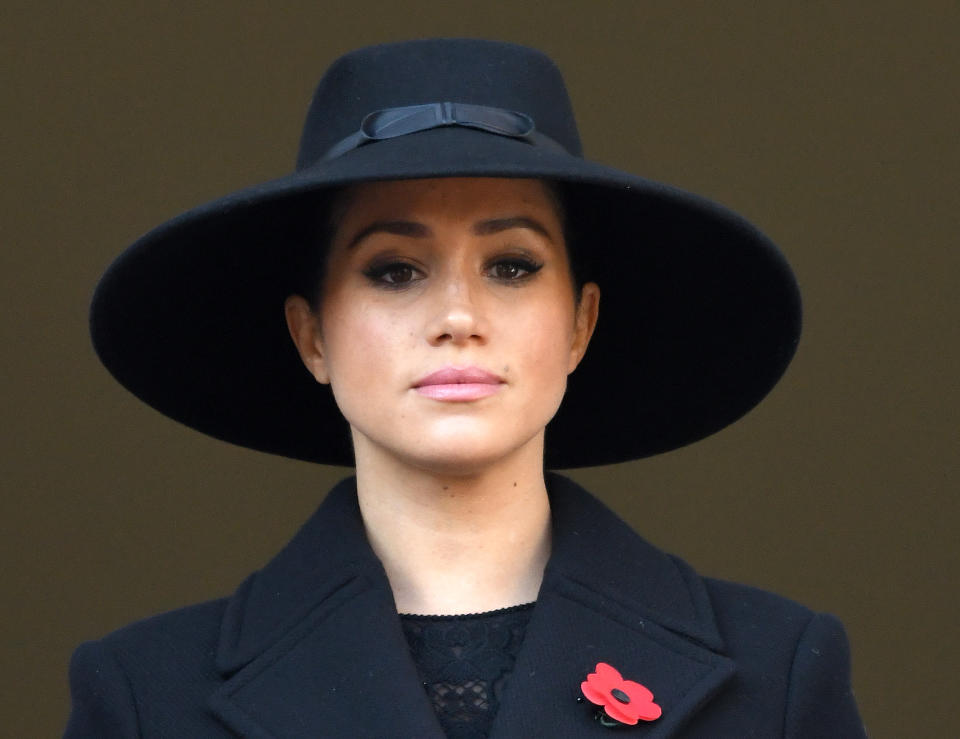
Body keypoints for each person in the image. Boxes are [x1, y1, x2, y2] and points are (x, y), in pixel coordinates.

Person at [65, 39, 867, 737]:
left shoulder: (778, 675)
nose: (457, 315)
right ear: (312, 334)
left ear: (580, 323)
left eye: (512, 265)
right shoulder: (146, 695)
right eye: (394, 270)